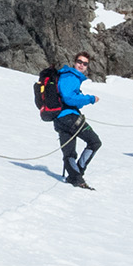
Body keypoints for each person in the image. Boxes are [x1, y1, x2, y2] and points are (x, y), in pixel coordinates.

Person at [54, 52, 102, 188]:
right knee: (94, 142)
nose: (81, 65)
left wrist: (80, 98)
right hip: (70, 117)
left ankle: (75, 178)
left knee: (69, 152)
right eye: (79, 62)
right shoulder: (71, 76)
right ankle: (78, 173)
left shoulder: (66, 76)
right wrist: (90, 98)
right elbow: (68, 98)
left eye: (85, 63)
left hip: (59, 119)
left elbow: (72, 99)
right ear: (74, 62)